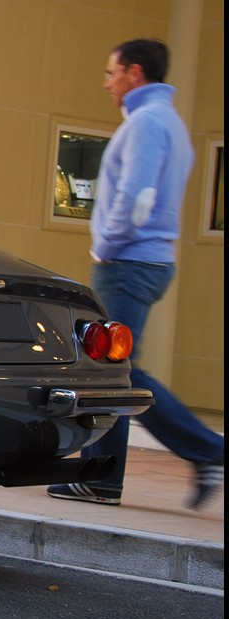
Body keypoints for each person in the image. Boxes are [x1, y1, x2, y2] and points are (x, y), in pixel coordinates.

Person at [48, 39, 224, 510]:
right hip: (150, 261)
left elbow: (137, 197)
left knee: (113, 370)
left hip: (127, 262)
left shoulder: (145, 124)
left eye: (111, 73)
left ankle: (203, 452)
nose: (106, 83)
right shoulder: (171, 123)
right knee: (116, 369)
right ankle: (104, 474)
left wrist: (104, 246)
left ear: (134, 73)